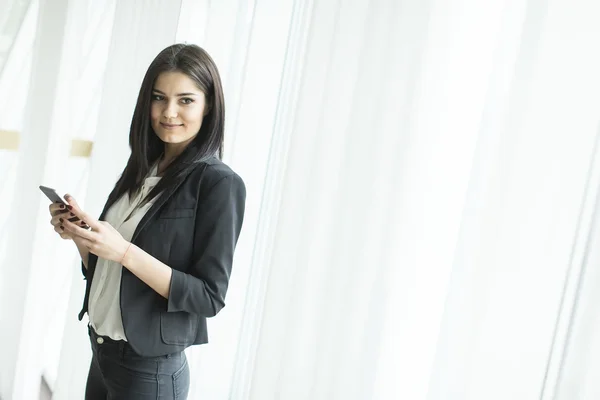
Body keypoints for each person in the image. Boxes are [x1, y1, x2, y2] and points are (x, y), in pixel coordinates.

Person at [47, 43, 246, 399]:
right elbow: (111, 272)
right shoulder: (142, 168)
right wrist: (81, 237)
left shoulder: (218, 183)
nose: (169, 112)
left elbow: (209, 297)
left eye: (186, 100)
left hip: (148, 371)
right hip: (103, 354)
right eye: (159, 98)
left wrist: (123, 251)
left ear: (209, 105)